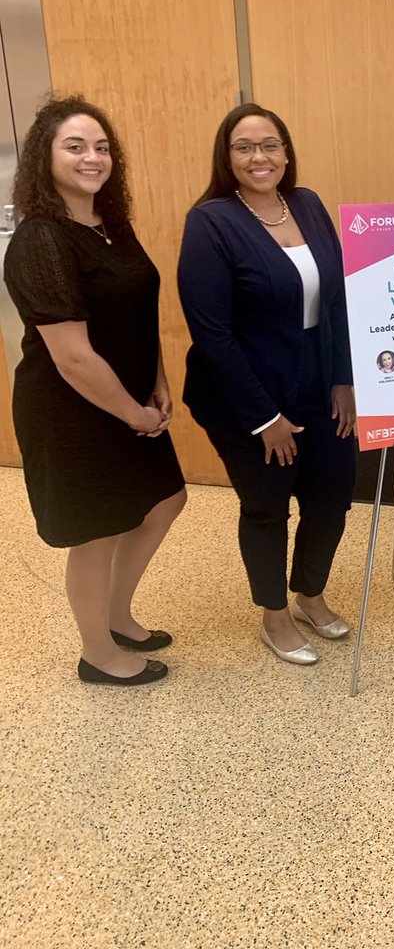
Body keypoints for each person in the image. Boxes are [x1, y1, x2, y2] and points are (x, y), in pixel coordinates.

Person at [3, 97, 186, 686]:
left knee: (164, 500)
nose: (93, 157)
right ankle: (97, 655)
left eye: (102, 146)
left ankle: (115, 615)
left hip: (130, 397)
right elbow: (73, 356)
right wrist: (132, 412)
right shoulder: (39, 239)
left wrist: (156, 382)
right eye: (75, 146)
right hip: (70, 408)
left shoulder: (111, 225)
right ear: (43, 157)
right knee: (97, 530)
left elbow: (138, 309)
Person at [177, 103, 356, 666]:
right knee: (267, 505)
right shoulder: (211, 221)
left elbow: (338, 299)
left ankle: (310, 593)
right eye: (245, 147)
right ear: (226, 157)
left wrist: (345, 379)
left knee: (331, 495)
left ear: (286, 151)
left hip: (317, 378)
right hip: (244, 390)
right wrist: (264, 419)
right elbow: (212, 333)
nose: (261, 157)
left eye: (270, 144)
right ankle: (274, 615)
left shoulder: (307, 204)